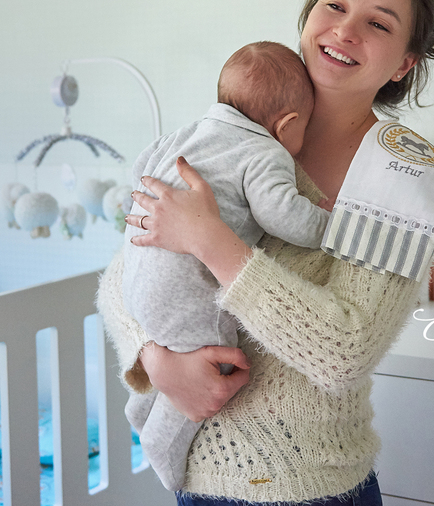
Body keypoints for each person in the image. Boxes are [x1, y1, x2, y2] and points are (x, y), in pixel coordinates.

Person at [96, 0, 434, 506]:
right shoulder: (239, 134)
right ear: (309, 16)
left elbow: (344, 353)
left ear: (404, 63)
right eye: (334, 6)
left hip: (308, 489)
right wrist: (155, 359)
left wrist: (211, 241)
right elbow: (126, 273)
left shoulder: (397, 177)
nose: (345, 30)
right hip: (196, 484)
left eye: (378, 23)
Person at [123, 40, 333, 491]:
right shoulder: (265, 151)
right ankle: (163, 447)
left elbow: (140, 169)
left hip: (138, 275)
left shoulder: (186, 134)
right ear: (288, 124)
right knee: (213, 361)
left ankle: (139, 408)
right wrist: (327, 224)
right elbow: (283, 215)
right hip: (185, 292)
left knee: (171, 346)